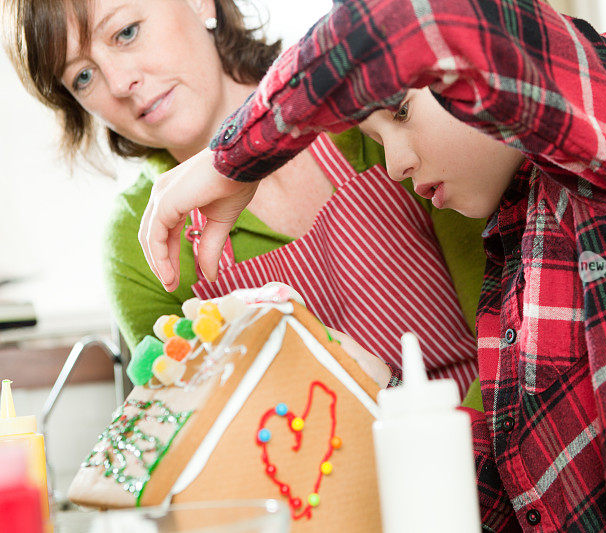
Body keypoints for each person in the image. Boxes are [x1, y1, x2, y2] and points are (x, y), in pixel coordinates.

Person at [137, 0, 606, 530]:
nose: (396, 162)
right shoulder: (517, 244)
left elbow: (407, 24)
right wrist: (364, 390)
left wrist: (235, 156)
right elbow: (515, 490)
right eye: (376, 138)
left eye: (399, 112)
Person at [4, 0, 489, 402]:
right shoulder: (140, 242)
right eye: (83, 77)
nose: (117, 83)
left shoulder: (377, 118)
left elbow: (510, 347)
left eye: (127, 32)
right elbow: (207, 439)